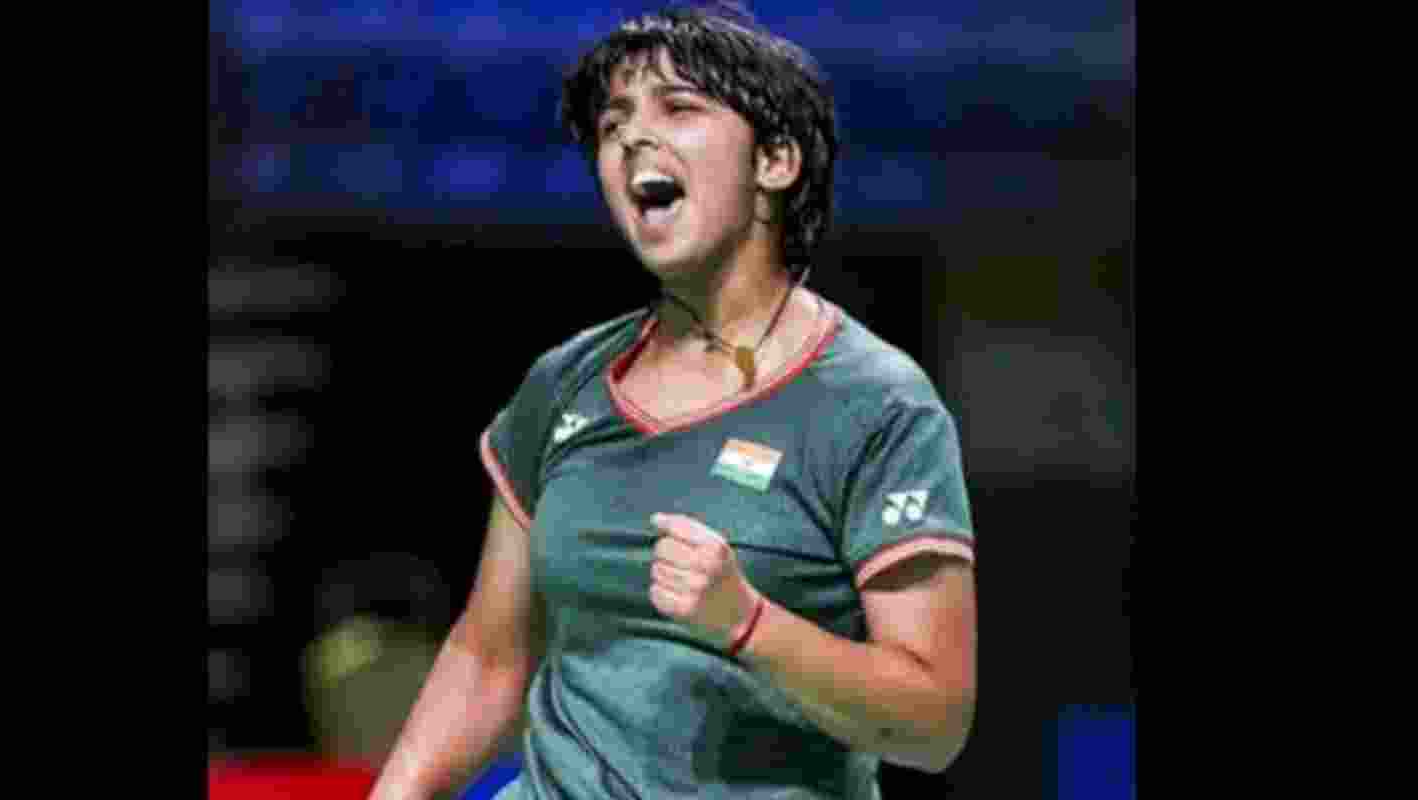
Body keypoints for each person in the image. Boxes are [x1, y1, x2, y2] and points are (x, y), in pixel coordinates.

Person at [368, 4, 976, 799]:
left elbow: (934, 723)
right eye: (613, 123)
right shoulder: (564, 385)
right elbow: (489, 657)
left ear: (777, 161)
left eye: (679, 108)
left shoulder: (878, 405)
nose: (631, 140)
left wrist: (750, 624)